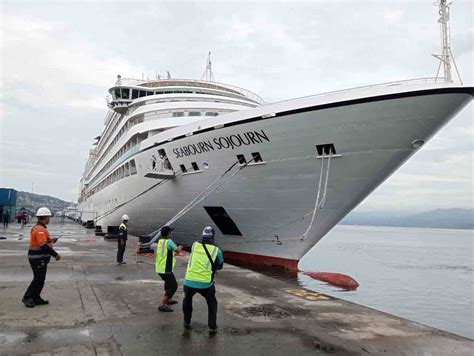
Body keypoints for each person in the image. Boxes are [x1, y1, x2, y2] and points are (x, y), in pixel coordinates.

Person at [182, 226, 224, 335]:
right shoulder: (216, 250)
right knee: (212, 303)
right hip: (205, 284)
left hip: (189, 281)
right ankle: (212, 327)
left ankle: (187, 322)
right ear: (213, 237)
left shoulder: (195, 245)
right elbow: (220, 265)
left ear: (203, 236)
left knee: (187, 299)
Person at [22, 207, 61, 308]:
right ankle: (27, 297)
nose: (49, 219)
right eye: (48, 217)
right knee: (38, 279)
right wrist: (55, 254)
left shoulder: (39, 228)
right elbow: (42, 245)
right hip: (37, 258)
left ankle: (36, 297)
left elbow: (42, 242)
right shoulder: (40, 229)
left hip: (39, 258)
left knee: (40, 279)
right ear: (45, 218)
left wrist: (51, 240)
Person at [156, 226, 183, 312]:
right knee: (173, 286)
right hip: (166, 268)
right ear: (168, 234)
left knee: (168, 283)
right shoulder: (169, 242)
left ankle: (169, 299)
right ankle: (162, 304)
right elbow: (177, 251)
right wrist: (180, 247)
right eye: (171, 232)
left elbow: (168, 253)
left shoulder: (160, 241)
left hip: (160, 267)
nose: (172, 233)